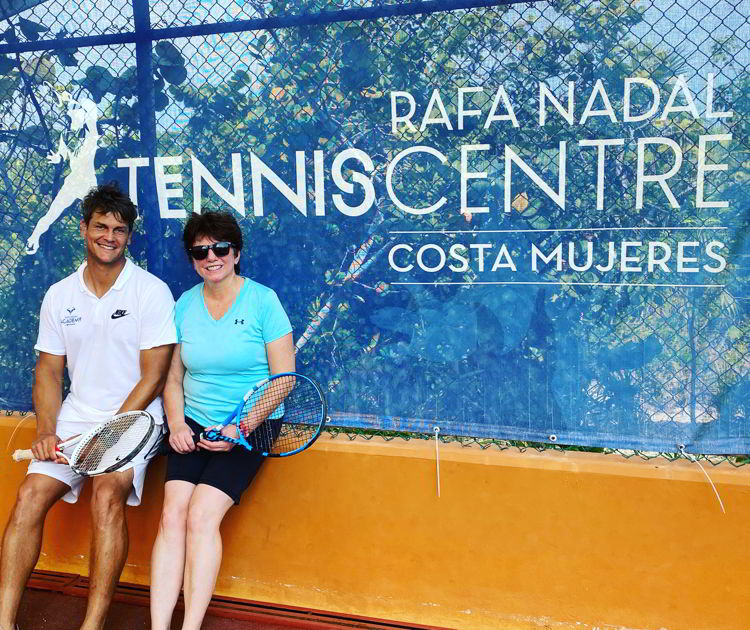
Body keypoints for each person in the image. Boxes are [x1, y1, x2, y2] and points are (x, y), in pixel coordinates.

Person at [0, 183, 176, 630]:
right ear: (84, 229)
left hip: (136, 419)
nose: (109, 236)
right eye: (101, 226)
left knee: (106, 494)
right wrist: (46, 430)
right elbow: (48, 372)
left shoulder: (150, 292)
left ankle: (91, 626)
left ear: (129, 237)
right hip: (77, 417)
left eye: (119, 229)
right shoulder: (60, 295)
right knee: (29, 497)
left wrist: (108, 434)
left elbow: (153, 376)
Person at [150, 211, 295, 630]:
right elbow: (173, 377)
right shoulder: (184, 304)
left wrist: (242, 427)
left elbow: (282, 380)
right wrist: (177, 424)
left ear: (236, 253)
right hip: (193, 420)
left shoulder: (263, 301)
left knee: (200, 516)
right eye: (200, 251)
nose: (210, 257)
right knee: (172, 514)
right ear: (192, 257)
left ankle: (190, 626)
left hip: (253, 424)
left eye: (219, 248)